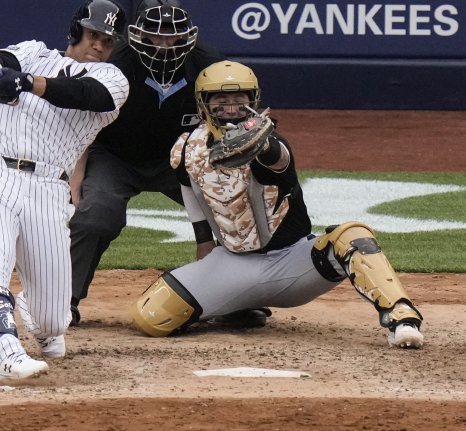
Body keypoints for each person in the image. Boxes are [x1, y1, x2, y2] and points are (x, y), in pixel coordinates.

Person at [129, 61, 425, 350]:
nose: (231, 107)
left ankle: (402, 318)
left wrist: (260, 144)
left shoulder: (271, 142)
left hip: (293, 263)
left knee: (353, 235)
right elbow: (200, 219)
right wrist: (208, 275)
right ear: (204, 103)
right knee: (151, 317)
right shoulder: (187, 148)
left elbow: (277, 159)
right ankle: (238, 307)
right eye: (220, 99)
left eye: (239, 98)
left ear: (253, 101)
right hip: (233, 264)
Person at [0, 0, 129, 381]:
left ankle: (37, 315)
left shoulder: (113, 81)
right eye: (93, 34)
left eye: (108, 40)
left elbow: (83, 95)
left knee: (55, 320)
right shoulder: (33, 52)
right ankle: (4, 350)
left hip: (48, 191)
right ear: (74, 31)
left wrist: (27, 84)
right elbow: (4, 61)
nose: (100, 45)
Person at [67, 0, 229, 325]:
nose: (166, 41)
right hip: (115, 157)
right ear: (138, 32)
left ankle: (234, 299)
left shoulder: (208, 64)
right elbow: (83, 120)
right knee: (96, 216)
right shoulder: (115, 62)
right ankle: (61, 300)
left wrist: (225, 182)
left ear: (187, 33)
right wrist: (74, 175)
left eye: (173, 32)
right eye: (157, 32)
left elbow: (227, 124)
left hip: (181, 159)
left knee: (232, 212)